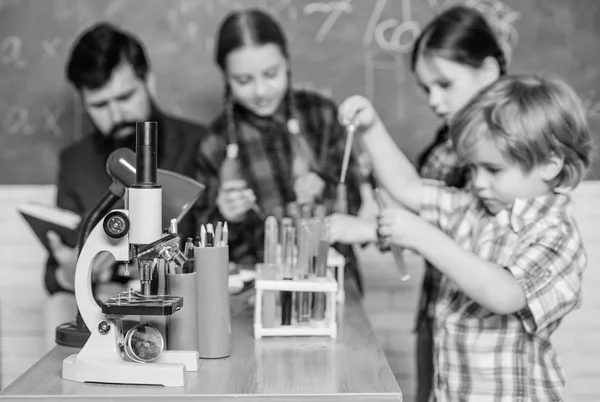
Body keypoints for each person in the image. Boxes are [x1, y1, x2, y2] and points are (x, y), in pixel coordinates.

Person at [337, 74, 593, 400]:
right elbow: (408, 188)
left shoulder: (556, 232)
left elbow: (504, 294)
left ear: (549, 164)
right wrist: (370, 129)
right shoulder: (473, 207)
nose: (479, 182)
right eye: (472, 169)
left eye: (493, 170)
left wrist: (424, 237)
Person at [329, 6, 506, 400]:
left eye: (445, 84)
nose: (435, 100)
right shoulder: (450, 139)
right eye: (427, 89)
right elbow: (414, 192)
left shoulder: (508, 148)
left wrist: (372, 228)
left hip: (488, 329)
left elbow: (444, 216)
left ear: (490, 71)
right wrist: (372, 130)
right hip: (440, 306)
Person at [43, 22, 208, 349]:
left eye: (125, 97)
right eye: (100, 105)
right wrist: (71, 270)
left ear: (149, 82)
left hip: (183, 301)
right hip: (107, 305)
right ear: (82, 100)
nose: (116, 114)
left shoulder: (199, 144)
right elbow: (53, 274)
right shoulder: (75, 163)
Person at [194, 9, 364, 291]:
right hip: (256, 293)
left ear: (286, 62)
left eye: (270, 74)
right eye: (244, 81)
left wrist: (324, 190)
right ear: (225, 76)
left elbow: (356, 200)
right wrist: (224, 214)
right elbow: (201, 237)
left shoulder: (320, 115)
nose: (260, 91)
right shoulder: (215, 143)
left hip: (330, 283)